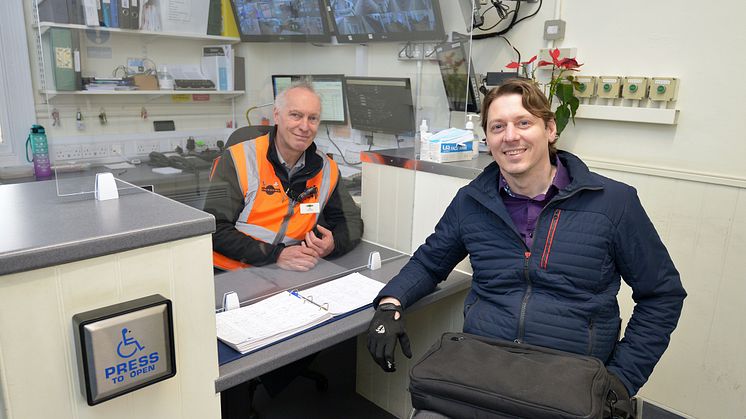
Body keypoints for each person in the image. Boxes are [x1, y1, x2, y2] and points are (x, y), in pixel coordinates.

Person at [366, 78, 686, 416]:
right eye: (498, 126)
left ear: (550, 129)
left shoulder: (613, 204)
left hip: (570, 381)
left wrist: (621, 379)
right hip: (483, 369)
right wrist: (390, 304)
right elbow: (430, 263)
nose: (510, 136)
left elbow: (662, 295)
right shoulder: (472, 201)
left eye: (523, 123)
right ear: (487, 139)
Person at [204, 80, 363, 271]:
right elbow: (215, 229)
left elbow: (352, 223)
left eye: (313, 118)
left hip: (286, 274)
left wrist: (333, 244)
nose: (305, 126)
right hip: (230, 272)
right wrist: (276, 255)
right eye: (296, 115)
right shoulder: (239, 159)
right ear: (277, 116)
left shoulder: (326, 169)